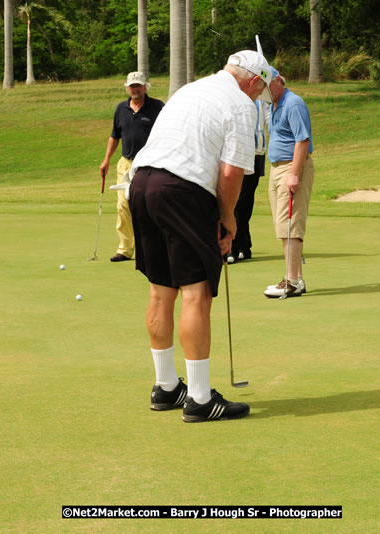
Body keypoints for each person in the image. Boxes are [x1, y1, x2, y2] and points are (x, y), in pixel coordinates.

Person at [128, 51, 272, 423]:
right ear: (254, 82)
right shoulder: (242, 104)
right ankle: (200, 399)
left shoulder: (192, 89)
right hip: (181, 189)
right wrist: (228, 221)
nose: (260, 98)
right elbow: (229, 174)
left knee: (161, 290)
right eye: (261, 91)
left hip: (141, 183)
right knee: (196, 292)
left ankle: (165, 387)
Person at [99, 72, 164, 262]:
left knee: (149, 205)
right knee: (123, 205)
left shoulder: (157, 107)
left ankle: (154, 246)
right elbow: (115, 136)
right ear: (127, 87)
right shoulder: (121, 109)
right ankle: (125, 249)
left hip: (150, 164)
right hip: (126, 164)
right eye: (132, 86)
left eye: (139, 86)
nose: (135, 89)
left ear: (145, 87)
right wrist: (106, 160)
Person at [263, 69, 314, 298]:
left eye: (265, 85)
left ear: (277, 81)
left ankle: (291, 281)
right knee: (283, 226)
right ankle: (296, 278)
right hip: (276, 169)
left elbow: (302, 140)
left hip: (291, 168)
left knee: (290, 226)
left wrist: (294, 173)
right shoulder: (273, 105)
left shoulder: (293, 103)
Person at [227, 98, 269, 264]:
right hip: (236, 154)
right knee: (238, 202)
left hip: (256, 155)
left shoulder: (261, 103)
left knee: (243, 202)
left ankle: (236, 247)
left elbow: (270, 121)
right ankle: (243, 245)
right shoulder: (233, 99)